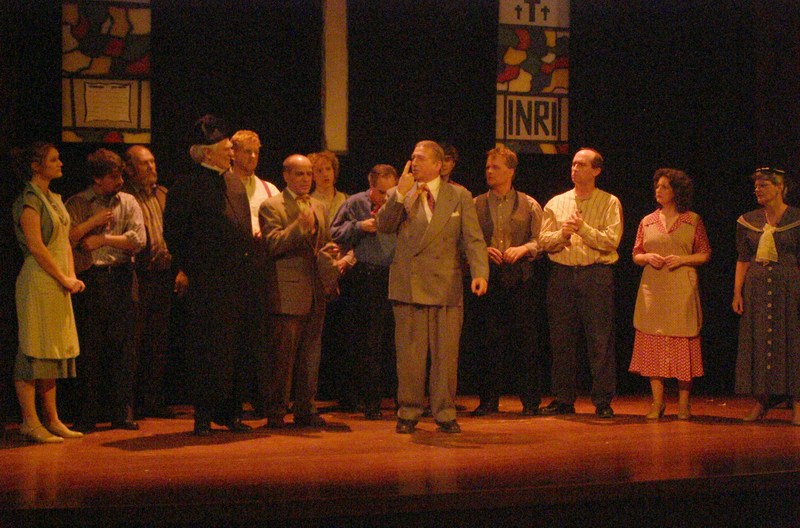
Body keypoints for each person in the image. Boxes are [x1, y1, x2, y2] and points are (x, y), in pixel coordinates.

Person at [376, 140, 489, 434]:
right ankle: (408, 412)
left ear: (438, 165)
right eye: (413, 157)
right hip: (409, 285)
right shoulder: (401, 193)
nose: (414, 163)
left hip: (446, 285)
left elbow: (473, 238)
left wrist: (480, 272)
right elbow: (384, 226)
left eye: (421, 158)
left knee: (445, 356)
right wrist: (399, 194)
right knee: (410, 357)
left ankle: (445, 412)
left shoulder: (459, 195)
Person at [163, 115, 260, 436]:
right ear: (206, 153)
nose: (232, 152)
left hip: (239, 282)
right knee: (208, 351)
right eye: (226, 148)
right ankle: (203, 415)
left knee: (237, 349)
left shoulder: (233, 182)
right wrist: (192, 267)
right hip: (208, 284)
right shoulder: (187, 186)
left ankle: (231, 413)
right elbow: (174, 234)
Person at [538, 148, 622, 419]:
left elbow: (611, 241)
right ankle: (563, 398)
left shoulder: (609, 202)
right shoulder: (556, 203)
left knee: (599, 339)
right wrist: (562, 234)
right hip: (562, 275)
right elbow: (543, 241)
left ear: (596, 170)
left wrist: (583, 229)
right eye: (573, 164)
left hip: (595, 275)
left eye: (582, 165)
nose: (575, 169)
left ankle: (603, 400)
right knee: (561, 339)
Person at [66, 148, 145, 433]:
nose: (120, 181)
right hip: (91, 279)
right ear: (97, 179)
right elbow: (69, 238)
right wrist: (93, 223)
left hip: (122, 277)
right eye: (113, 177)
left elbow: (138, 239)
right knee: (91, 349)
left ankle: (122, 412)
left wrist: (103, 239)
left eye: (121, 175)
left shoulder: (128, 201)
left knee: (124, 348)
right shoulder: (78, 202)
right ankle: (87, 414)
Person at [11, 143, 85, 443]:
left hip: (57, 281)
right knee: (34, 349)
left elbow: (64, 241)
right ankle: (30, 422)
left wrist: (72, 275)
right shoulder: (29, 200)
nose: (60, 163)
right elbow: (36, 246)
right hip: (39, 281)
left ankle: (52, 419)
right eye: (53, 159)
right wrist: (62, 277)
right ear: (36, 166)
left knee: (52, 352)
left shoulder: (53, 198)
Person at [259, 154, 339, 429]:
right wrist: (299, 227)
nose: (306, 179)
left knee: (310, 357)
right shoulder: (272, 206)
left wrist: (330, 251)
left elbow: (324, 242)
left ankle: (306, 408)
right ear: (286, 176)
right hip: (287, 292)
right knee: (283, 357)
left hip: (316, 290)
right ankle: (276, 411)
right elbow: (273, 244)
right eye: (299, 174)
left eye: (309, 174)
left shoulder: (318, 206)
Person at [629, 169, 711, 420]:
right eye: (657, 186)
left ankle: (684, 404)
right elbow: (636, 254)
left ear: (677, 191)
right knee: (653, 340)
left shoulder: (692, 220)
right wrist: (646, 257)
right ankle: (657, 402)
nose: (658, 190)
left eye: (664, 186)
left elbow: (705, 253)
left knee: (682, 341)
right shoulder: (647, 221)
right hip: (653, 288)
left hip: (681, 287)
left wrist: (683, 259)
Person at [471, 146, 543, 417]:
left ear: (511, 171)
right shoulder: (475, 204)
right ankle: (488, 401)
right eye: (488, 167)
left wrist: (523, 249)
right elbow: (466, 240)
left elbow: (541, 240)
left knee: (526, 342)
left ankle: (530, 402)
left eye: (496, 167)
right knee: (488, 342)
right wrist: (481, 250)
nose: (490, 172)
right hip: (488, 279)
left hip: (521, 279)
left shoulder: (529, 204)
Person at [330, 164, 398, 420]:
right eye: (381, 193)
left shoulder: (400, 204)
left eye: (390, 193)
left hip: (395, 276)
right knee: (367, 342)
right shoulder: (354, 203)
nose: (385, 198)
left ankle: (399, 399)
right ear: (371, 186)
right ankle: (369, 402)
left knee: (394, 342)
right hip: (365, 277)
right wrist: (359, 226)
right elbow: (334, 231)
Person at [733, 167, 800, 425]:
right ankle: (761, 401)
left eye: (764, 186)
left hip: (789, 285)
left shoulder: (795, 218)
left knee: (792, 340)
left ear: (780, 188)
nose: (757, 190)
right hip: (757, 286)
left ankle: (797, 403)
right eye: (756, 186)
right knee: (760, 341)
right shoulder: (748, 220)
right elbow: (743, 258)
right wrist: (737, 292)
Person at [122, 145, 177, 419]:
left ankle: (152, 400)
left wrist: (181, 270)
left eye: (153, 162)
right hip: (137, 276)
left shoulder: (163, 194)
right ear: (129, 169)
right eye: (144, 163)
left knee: (158, 342)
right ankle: (127, 404)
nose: (151, 167)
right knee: (133, 341)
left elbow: (177, 233)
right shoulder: (124, 196)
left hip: (163, 276)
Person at [230, 130, 280, 237]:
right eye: (247, 151)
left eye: (256, 152)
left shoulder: (270, 190)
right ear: (233, 154)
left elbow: (282, 224)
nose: (253, 156)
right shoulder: (222, 187)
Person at [309, 150, 348, 227]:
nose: (325, 174)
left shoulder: (347, 199)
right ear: (312, 176)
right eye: (319, 170)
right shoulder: (308, 202)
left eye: (328, 169)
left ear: (334, 171)